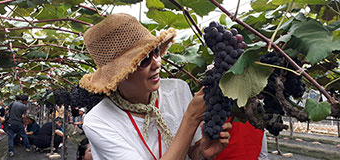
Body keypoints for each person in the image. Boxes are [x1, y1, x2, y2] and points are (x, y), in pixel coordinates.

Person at [79, 13, 232, 160]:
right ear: (119, 75)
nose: (157, 63)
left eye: (155, 52)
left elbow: (192, 150)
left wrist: (203, 153)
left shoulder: (178, 89)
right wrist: (191, 118)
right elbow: (189, 124)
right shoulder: (98, 122)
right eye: (144, 59)